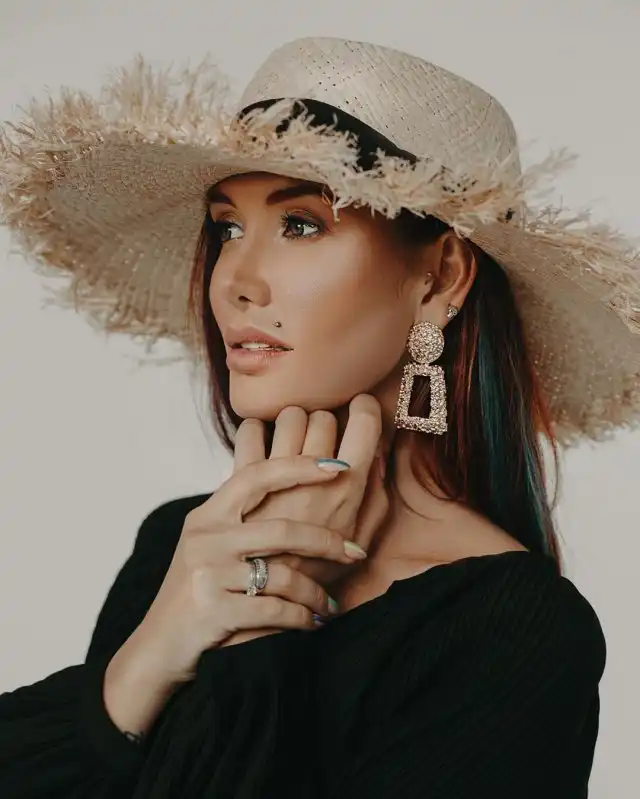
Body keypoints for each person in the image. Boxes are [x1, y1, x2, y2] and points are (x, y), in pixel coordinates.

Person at [0, 35, 637, 798]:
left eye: (301, 224)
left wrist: (255, 638)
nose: (235, 280)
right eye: (227, 227)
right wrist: (148, 657)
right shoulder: (185, 546)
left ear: (440, 276)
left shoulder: (516, 631)